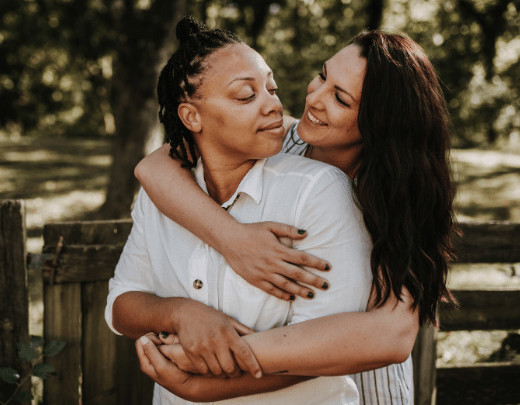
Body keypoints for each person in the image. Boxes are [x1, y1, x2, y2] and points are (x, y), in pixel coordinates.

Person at [133, 24, 458, 405]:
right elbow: (155, 167)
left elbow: (391, 334)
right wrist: (233, 239)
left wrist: (215, 367)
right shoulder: (281, 142)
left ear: (381, 123)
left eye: (340, 98)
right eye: (322, 75)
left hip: (364, 390)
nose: (315, 97)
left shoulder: (400, 197)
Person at [105, 15, 380, 404]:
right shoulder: (164, 192)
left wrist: (199, 385)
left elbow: (322, 349)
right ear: (191, 116)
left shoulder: (318, 190)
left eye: (272, 89)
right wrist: (180, 314)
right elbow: (121, 302)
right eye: (246, 95)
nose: (276, 105)